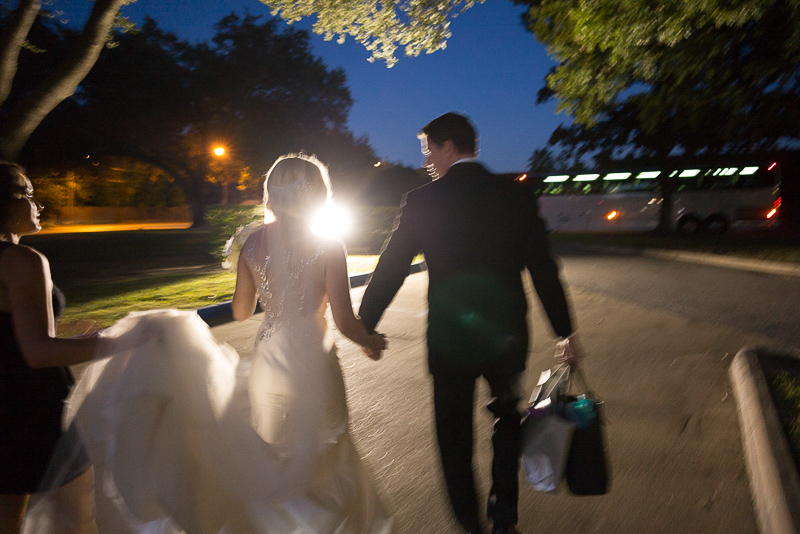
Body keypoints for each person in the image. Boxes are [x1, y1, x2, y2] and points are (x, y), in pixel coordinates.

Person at [358, 113, 584, 534]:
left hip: (449, 339)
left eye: (428, 149)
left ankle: (469, 523)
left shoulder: (423, 200)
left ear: (448, 147)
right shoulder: (514, 195)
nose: (426, 159)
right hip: (506, 333)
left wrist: (365, 326)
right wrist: (565, 332)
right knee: (507, 418)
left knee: (453, 434)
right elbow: (543, 268)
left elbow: (390, 267)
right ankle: (503, 517)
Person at [0, 162, 99, 534]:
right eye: (27, 194)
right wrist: (119, 343)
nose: (37, 203)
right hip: (35, 407)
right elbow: (38, 352)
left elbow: (11, 332)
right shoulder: (22, 260)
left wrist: (71, 332)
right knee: (79, 518)